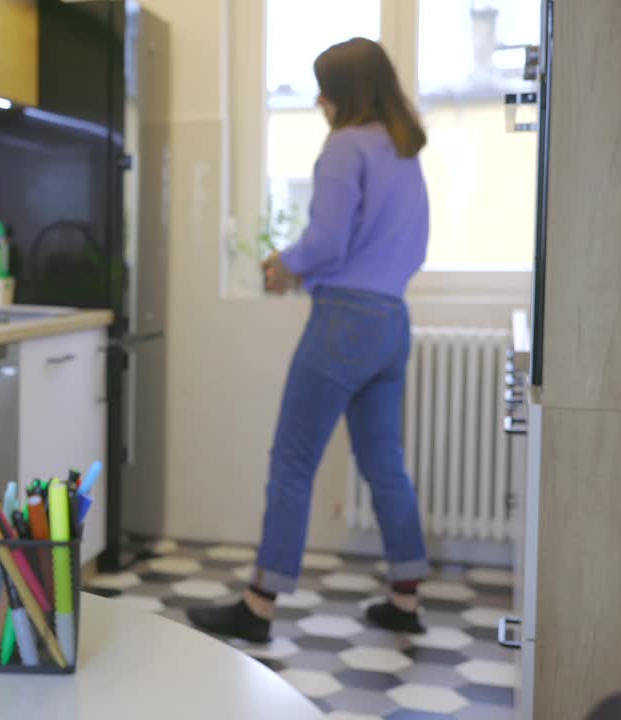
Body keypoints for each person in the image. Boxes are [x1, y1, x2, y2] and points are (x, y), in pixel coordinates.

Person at [189, 37, 430, 643]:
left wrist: (283, 262)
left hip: (343, 321)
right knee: (384, 463)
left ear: (344, 93)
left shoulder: (346, 146)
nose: (319, 99)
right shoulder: (404, 149)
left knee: (292, 460)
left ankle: (259, 605)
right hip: (392, 321)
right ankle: (406, 597)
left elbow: (325, 244)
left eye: (325, 87)